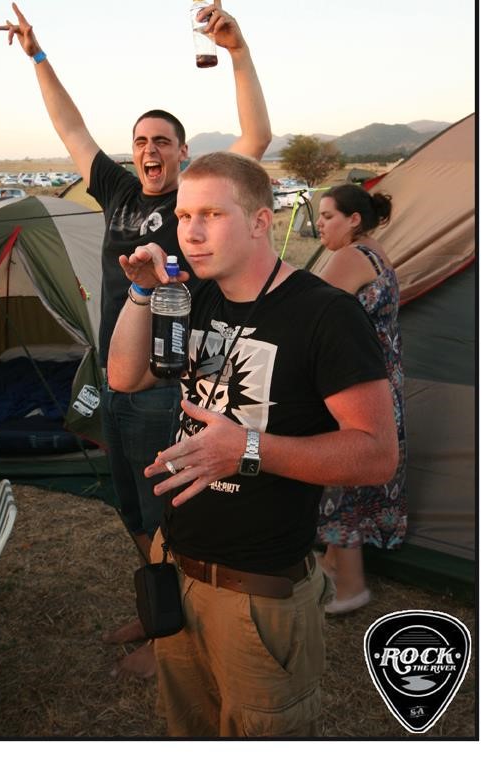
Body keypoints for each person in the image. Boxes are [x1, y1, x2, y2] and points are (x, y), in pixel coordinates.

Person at [0, 0, 271, 678]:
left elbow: (256, 140)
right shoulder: (117, 191)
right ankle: (156, 610)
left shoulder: (194, 199)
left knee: (165, 512)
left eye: (162, 142)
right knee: (129, 508)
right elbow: (70, 128)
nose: (149, 150)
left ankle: (171, 638)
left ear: (183, 153)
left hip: (166, 383)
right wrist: (37, 56)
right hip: (112, 374)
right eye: (141, 142)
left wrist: (238, 54)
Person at [107, 152, 398, 737]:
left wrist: (248, 448)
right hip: (176, 565)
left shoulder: (325, 314)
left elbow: (376, 454)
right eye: (184, 216)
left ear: (262, 221)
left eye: (211, 215)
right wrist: (141, 292)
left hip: (259, 593)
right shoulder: (195, 296)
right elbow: (124, 376)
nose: (191, 232)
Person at [314, 184, 407, 614]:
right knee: (356, 474)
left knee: (341, 473)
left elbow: (309, 311)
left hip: (355, 384)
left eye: (328, 216)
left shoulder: (349, 256)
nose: (319, 224)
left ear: (353, 220)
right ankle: (334, 563)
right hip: (384, 380)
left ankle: (351, 586)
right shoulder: (376, 251)